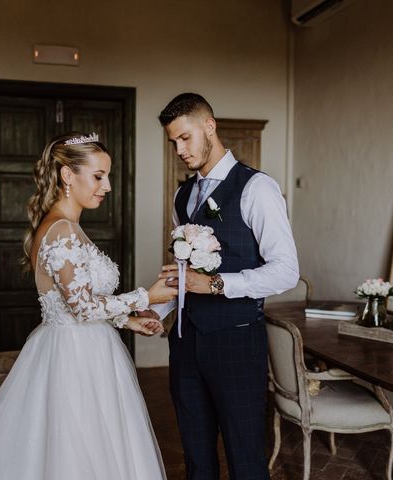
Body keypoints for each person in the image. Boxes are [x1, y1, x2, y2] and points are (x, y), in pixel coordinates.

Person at [0, 133, 177, 480]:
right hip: (73, 358)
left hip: (86, 348)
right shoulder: (61, 231)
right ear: (67, 176)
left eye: (108, 176)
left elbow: (77, 298)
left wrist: (127, 321)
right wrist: (147, 297)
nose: (107, 186)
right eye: (99, 176)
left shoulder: (67, 226)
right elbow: (83, 309)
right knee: (75, 450)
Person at [151, 93, 299, 480]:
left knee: (244, 457)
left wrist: (215, 284)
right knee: (197, 457)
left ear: (209, 127)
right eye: (173, 142)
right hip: (184, 343)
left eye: (185, 138)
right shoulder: (182, 195)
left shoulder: (257, 188)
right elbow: (182, 272)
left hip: (236, 343)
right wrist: (156, 311)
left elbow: (286, 271)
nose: (179, 150)